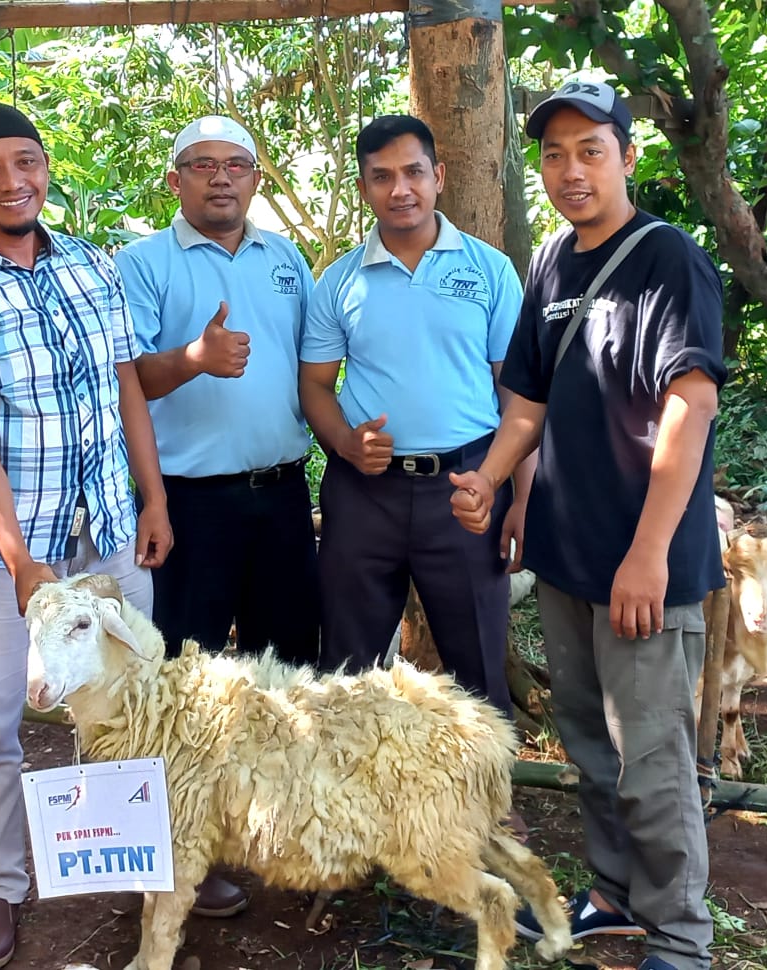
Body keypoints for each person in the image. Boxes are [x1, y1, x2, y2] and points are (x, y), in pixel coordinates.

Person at [449, 79, 724, 970]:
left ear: (627, 156)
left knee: (653, 760)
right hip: (566, 558)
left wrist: (647, 555)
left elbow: (689, 410)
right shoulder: (553, 263)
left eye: (590, 150)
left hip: (642, 564)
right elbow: (524, 401)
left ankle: (682, 935)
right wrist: (492, 482)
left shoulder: (668, 259)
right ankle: (611, 892)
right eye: (555, 154)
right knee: (590, 746)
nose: (571, 171)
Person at [0, 101, 173, 969]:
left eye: (26, 162)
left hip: (109, 530)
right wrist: (22, 561)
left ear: (45, 166)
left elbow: (126, 387)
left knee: (140, 703)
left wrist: (153, 499)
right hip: (3, 557)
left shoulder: (93, 264)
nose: (13, 182)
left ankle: (152, 865)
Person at [298, 114, 529, 718]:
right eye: (381, 177)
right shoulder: (339, 282)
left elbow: (520, 397)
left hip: (467, 488)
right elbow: (315, 387)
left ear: (439, 177)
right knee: (347, 671)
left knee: (478, 662)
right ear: (364, 188)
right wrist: (346, 444)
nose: (400, 189)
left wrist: (521, 497)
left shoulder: (489, 270)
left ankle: (489, 806)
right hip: (362, 494)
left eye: (412, 172)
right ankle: (350, 806)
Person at [114, 115, 320, 667]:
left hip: (282, 496)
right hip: (188, 504)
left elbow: (313, 366)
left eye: (236, 165)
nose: (221, 178)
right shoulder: (140, 264)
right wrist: (194, 359)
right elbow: (126, 378)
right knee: (183, 665)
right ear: (175, 180)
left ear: (255, 180)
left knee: (286, 666)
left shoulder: (286, 258)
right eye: (203, 165)